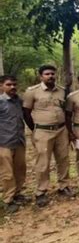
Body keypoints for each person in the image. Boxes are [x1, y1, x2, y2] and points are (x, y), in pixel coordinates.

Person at [23, 65, 74, 207]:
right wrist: (35, 129)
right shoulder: (31, 92)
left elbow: (66, 111)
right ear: (41, 76)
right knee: (43, 162)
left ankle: (64, 186)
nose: (50, 76)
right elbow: (26, 112)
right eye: (47, 74)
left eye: (52, 73)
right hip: (43, 132)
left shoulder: (62, 91)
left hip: (61, 130)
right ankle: (41, 191)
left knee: (63, 159)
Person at [0, 75, 28, 213]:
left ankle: (17, 193)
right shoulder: (0, 102)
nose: (12, 87)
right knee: (7, 173)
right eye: (9, 84)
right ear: (1, 86)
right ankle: (8, 199)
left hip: (19, 141)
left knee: (20, 169)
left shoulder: (18, 101)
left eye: (14, 84)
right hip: (4, 143)